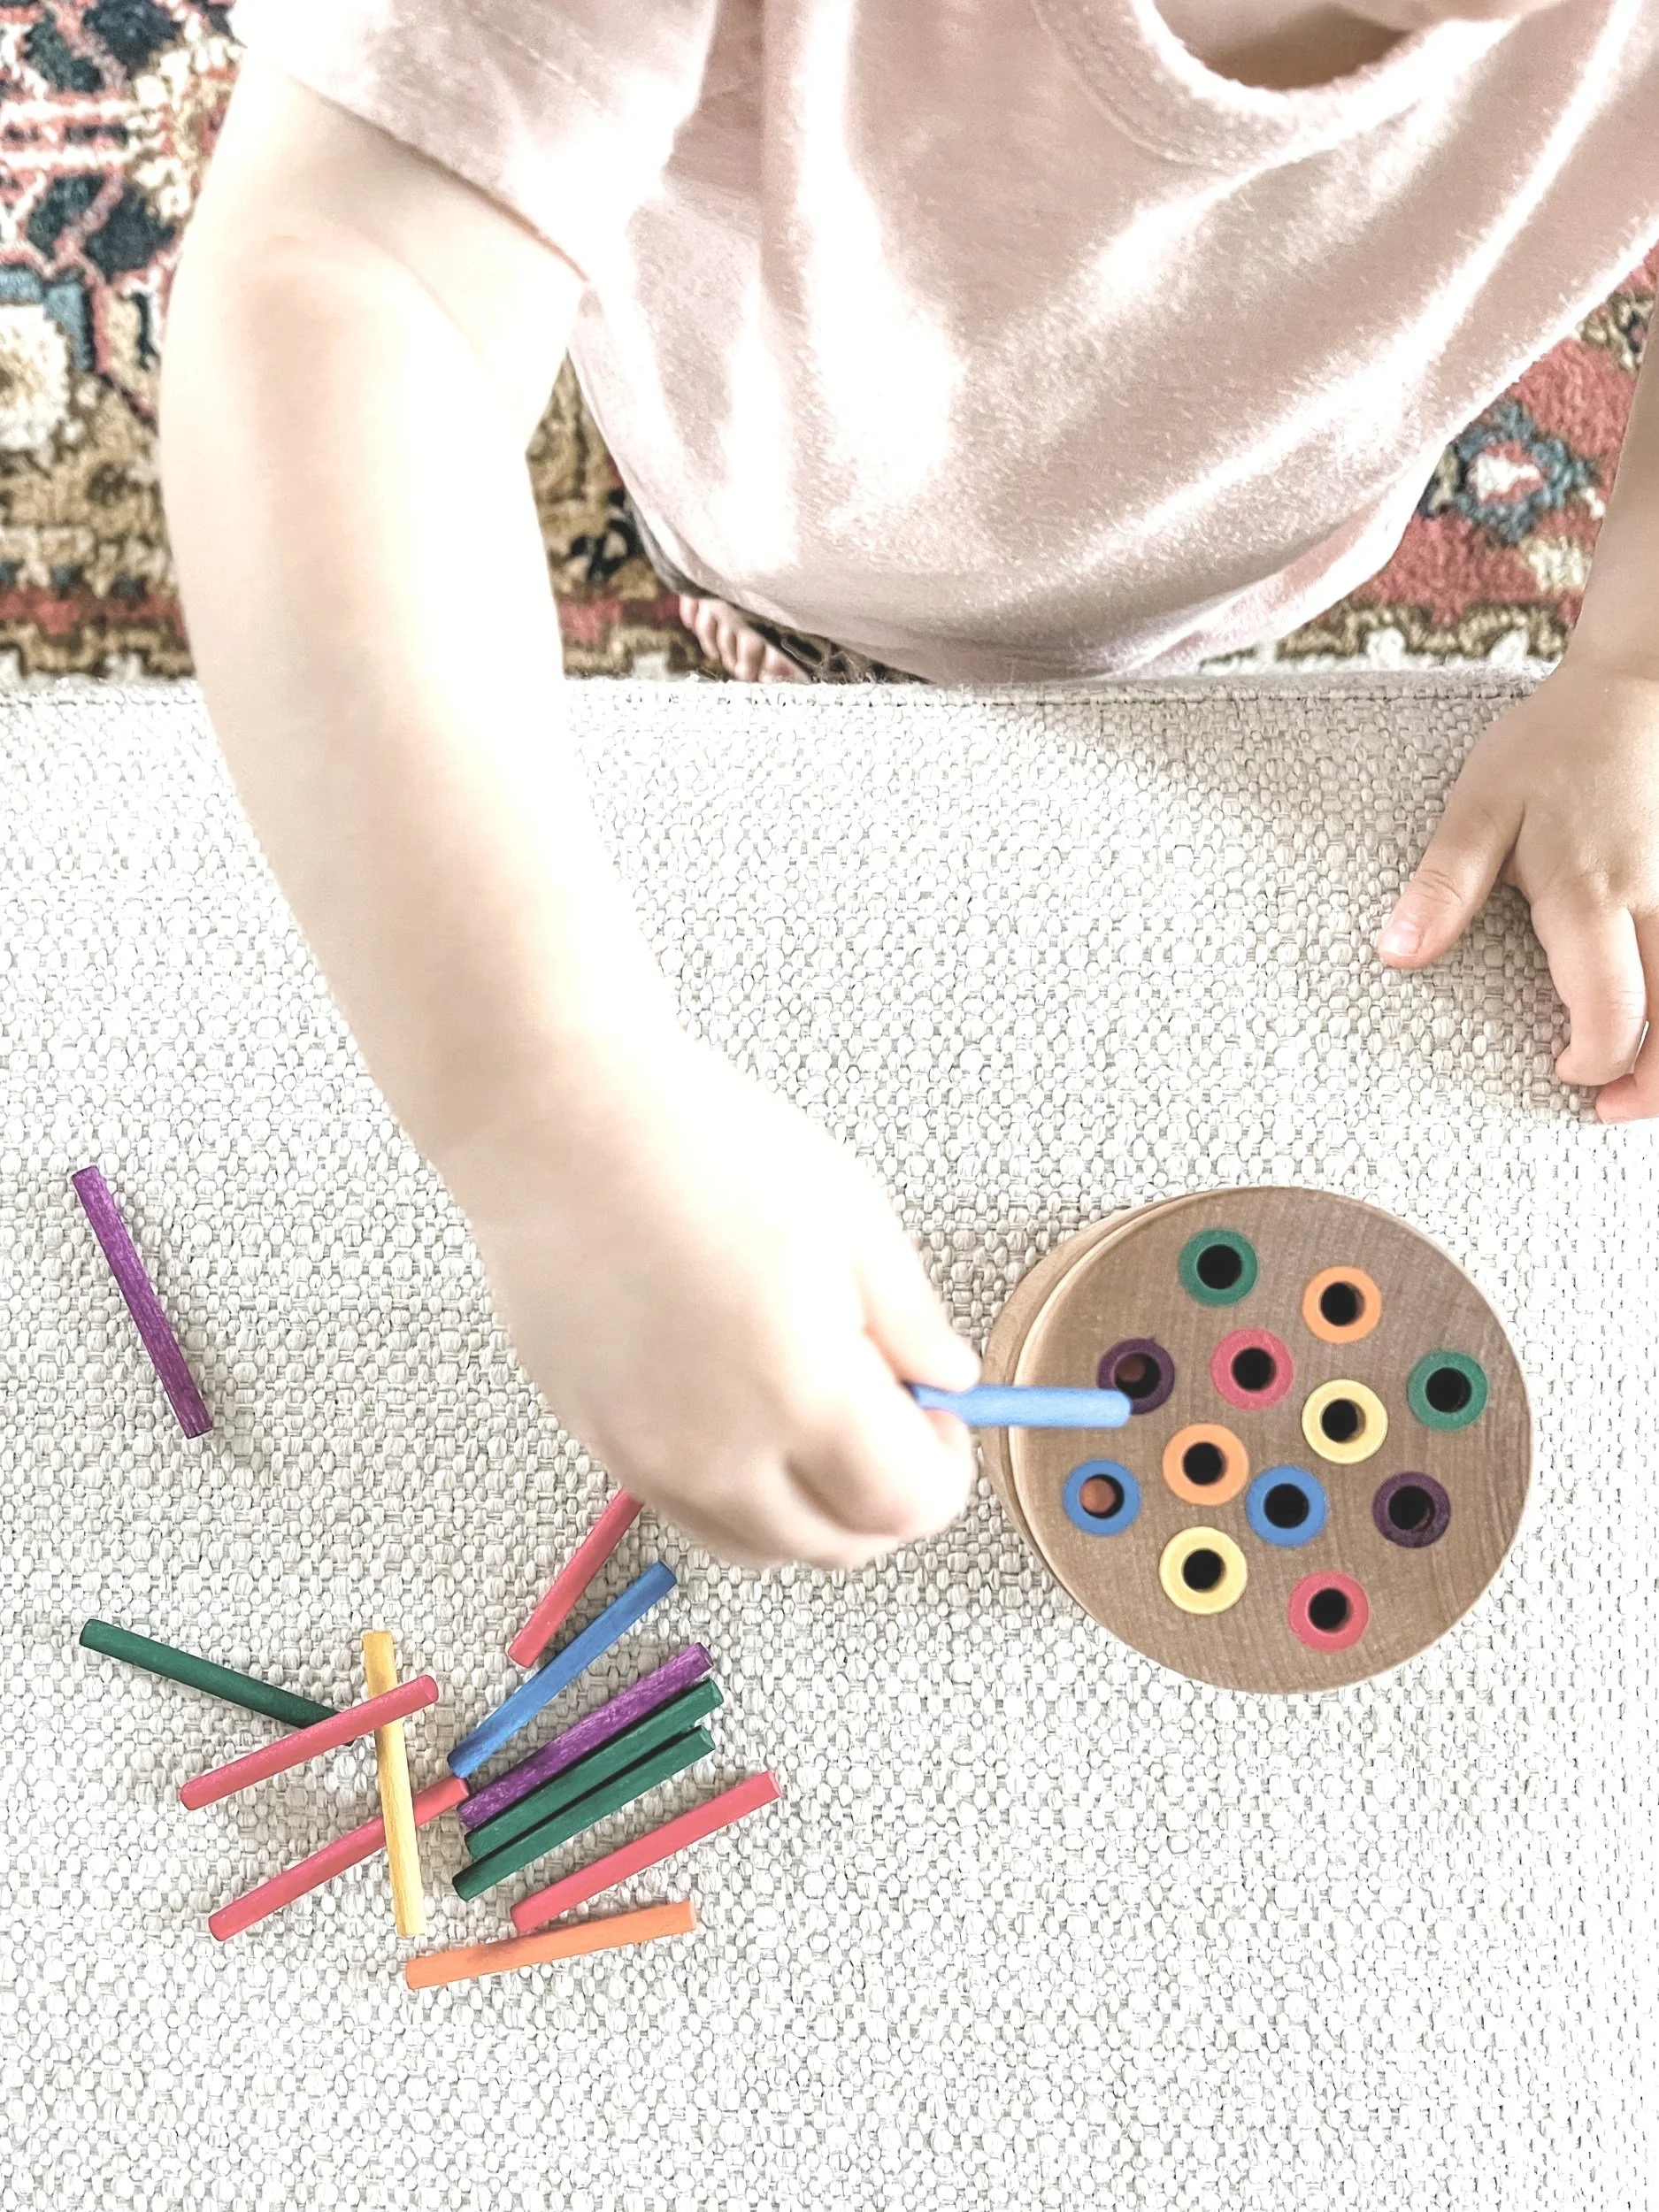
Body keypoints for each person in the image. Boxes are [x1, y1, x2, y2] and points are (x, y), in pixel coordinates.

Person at [160, 0, 1659, 1568]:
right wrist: (548, 1110)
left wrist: (1632, 666)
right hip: (779, 505)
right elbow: (352, 283)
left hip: (1263, 536)